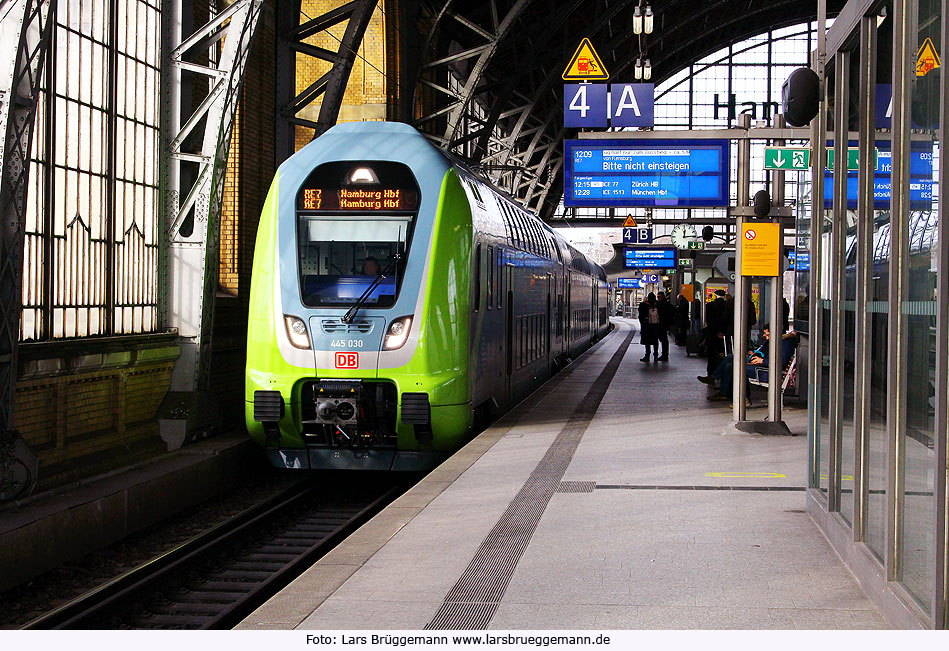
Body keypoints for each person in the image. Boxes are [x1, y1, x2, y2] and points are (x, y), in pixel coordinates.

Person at [699, 325, 798, 403]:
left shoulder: (783, 344)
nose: (765, 336)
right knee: (731, 359)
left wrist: (762, 361)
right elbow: (767, 354)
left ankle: (738, 395)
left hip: (765, 371)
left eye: (767, 334)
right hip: (763, 367)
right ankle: (722, 389)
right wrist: (755, 355)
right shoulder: (773, 341)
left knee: (736, 366)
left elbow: (781, 362)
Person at [638, 292, 660, 362]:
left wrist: (643, 324)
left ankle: (647, 356)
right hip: (656, 326)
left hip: (647, 327)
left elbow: (640, 316)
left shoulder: (644, 305)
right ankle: (656, 355)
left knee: (647, 342)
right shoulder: (658, 305)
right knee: (655, 341)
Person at [655, 291, 674, 361]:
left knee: (663, 339)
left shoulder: (662, 304)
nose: (658, 298)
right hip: (664, 324)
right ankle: (664, 354)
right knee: (663, 339)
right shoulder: (666, 303)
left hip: (662, 324)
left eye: (659, 297)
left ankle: (664, 355)